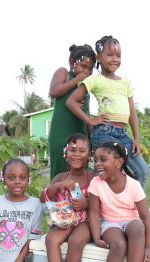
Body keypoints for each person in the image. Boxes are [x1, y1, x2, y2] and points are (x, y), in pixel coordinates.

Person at [67, 35, 149, 188]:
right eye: (110, 54)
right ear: (98, 57)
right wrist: (91, 120)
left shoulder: (125, 82)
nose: (115, 59)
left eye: (118, 55)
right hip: (104, 132)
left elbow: (132, 111)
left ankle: (132, 209)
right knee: (105, 176)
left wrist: (136, 138)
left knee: (142, 172)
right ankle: (102, 209)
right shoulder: (95, 79)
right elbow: (71, 101)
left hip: (123, 134)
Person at [88, 141, 150, 262]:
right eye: (96, 160)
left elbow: (145, 217)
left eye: (103, 159)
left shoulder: (133, 185)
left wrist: (148, 247)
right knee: (118, 244)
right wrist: (96, 237)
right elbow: (94, 213)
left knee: (137, 228)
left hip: (130, 221)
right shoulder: (96, 183)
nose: (97, 164)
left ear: (118, 163)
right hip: (110, 223)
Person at [41, 134, 95, 262]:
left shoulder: (93, 178)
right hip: (65, 220)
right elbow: (43, 197)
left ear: (89, 155)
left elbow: (103, 201)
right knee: (51, 239)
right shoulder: (60, 177)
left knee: (76, 240)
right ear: (65, 153)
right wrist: (57, 186)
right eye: (72, 150)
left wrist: (86, 203)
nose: (76, 154)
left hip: (85, 220)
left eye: (82, 150)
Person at [48, 44, 98, 181]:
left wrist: (90, 139)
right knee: (59, 173)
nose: (86, 71)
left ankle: (79, 202)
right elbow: (53, 91)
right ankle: (55, 201)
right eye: (83, 66)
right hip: (61, 134)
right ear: (71, 63)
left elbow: (86, 114)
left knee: (80, 174)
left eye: (90, 68)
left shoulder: (86, 87)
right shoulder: (63, 73)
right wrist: (76, 80)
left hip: (81, 136)